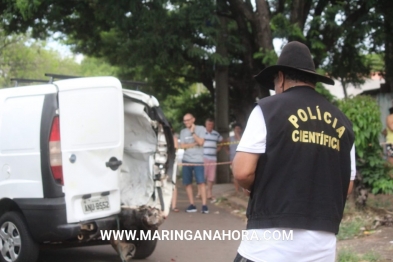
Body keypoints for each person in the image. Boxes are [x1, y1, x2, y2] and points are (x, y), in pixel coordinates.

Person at [232, 41, 356, 261]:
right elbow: (346, 186)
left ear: (280, 77)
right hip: (322, 249)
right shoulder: (343, 122)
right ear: (313, 81)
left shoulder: (268, 109)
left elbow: (242, 172)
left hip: (269, 246)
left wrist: (258, 186)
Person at [179, 113, 209, 214]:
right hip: (186, 160)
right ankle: (192, 204)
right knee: (188, 183)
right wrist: (194, 143)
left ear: (193, 119)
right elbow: (182, 146)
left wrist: (193, 133)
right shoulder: (183, 132)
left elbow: (201, 142)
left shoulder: (201, 129)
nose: (186, 122)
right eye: (184, 121)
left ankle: (204, 205)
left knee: (201, 182)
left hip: (198, 160)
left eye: (188, 120)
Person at [201, 118, 223, 203]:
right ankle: (201, 193)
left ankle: (209, 193)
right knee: (203, 176)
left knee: (211, 177)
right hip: (204, 157)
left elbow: (222, 141)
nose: (210, 126)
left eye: (211, 124)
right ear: (205, 124)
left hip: (213, 158)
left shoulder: (216, 134)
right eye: (208, 124)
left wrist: (218, 148)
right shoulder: (202, 133)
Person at [228, 123, 242, 193]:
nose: (237, 130)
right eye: (236, 129)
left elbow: (241, 143)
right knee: (234, 174)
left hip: (241, 159)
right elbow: (224, 144)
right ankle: (237, 189)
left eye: (238, 129)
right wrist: (228, 152)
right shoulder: (230, 139)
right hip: (232, 159)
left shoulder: (242, 138)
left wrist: (238, 135)